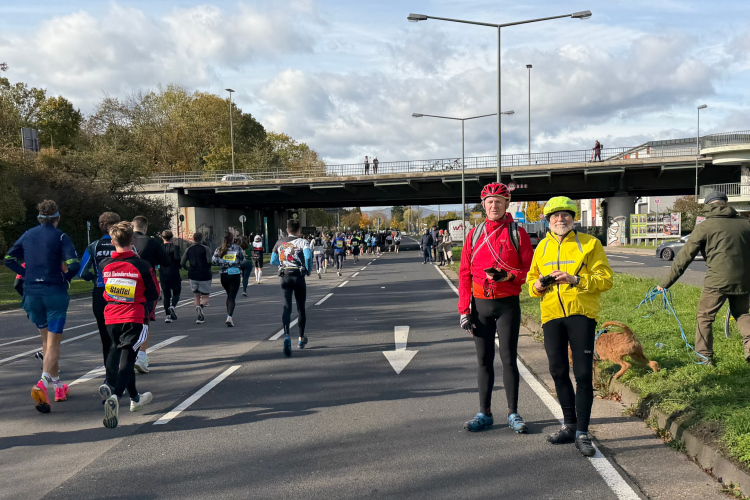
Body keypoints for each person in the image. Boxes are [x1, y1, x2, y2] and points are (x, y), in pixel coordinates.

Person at [527, 196, 613, 457]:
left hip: (581, 314)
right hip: (551, 315)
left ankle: (583, 432)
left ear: (573, 218)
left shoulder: (590, 243)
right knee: (558, 371)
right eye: (554, 215)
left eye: (565, 215)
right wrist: (537, 286)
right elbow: (531, 282)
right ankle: (569, 425)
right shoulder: (541, 247)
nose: (560, 219)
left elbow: (605, 280)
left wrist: (575, 279)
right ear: (548, 220)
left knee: (584, 374)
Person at [458, 183, 534, 436]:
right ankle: (485, 413)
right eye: (490, 202)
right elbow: (465, 273)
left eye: (499, 202)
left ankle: (513, 413)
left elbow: (529, 270)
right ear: (483, 205)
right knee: (483, 361)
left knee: (509, 359)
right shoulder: (474, 234)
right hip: (480, 306)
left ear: (506, 204)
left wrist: (509, 276)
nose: (494, 206)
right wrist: (464, 310)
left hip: (507, 305)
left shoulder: (517, 233)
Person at [4, 200, 80, 413]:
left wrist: (27, 273)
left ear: (39, 217)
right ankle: (42, 383)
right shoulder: (61, 236)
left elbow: (8, 258)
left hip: (31, 294)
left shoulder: (27, 234)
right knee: (54, 341)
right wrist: (65, 277)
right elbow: (74, 264)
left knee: (46, 341)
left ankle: (57, 386)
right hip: (54, 292)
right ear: (58, 217)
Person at [659, 190, 750, 365]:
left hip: (717, 281)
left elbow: (684, 257)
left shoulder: (705, 226)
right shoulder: (746, 223)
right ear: (726, 203)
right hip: (744, 280)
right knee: (742, 314)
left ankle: (704, 357)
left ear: (708, 206)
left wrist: (665, 284)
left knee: (705, 317)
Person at [99, 221, 156, 428]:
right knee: (128, 358)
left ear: (112, 241)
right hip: (133, 317)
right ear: (132, 240)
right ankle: (115, 396)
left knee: (117, 351)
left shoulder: (105, 265)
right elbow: (154, 293)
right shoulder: (142, 265)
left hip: (111, 317)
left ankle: (135, 398)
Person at [79, 212, 121, 386]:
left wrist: (94, 277)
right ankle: (123, 371)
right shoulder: (124, 244)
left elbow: (82, 272)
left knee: (106, 337)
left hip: (101, 292)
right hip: (122, 291)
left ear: (102, 225)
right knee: (123, 335)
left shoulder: (94, 246)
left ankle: (110, 376)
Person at [131, 216, 169, 374]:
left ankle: (126, 354)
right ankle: (141, 355)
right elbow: (165, 261)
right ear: (145, 228)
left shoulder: (126, 240)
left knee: (127, 317)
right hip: (146, 282)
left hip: (126, 280)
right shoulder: (152, 243)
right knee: (144, 319)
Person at [270, 219, 313, 357]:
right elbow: (308, 256)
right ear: (299, 230)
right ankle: (300, 339)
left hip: (285, 277)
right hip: (298, 276)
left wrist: (282, 263)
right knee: (301, 308)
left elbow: (272, 260)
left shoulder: (280, 242)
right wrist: (308, 270)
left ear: (287, 230)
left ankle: (287, 335)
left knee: (286, 307)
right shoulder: (303, 242)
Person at [212, 231, 245, 327]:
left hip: (224, 275)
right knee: (232, 296)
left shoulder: (219, 249)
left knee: (229, 294)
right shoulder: (238, 248)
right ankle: (229, 317)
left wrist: (222, 262)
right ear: (232, 238)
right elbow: (243, 260)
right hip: (234, 274)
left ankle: (228, 315)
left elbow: (214, 261)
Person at [180, 232, 212, 324]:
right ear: (202, 239)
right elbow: (209, 261)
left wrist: (188, 268)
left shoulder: (188, 249)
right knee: (205, 297)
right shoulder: (206, 248)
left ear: (193, 239)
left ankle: (199, 316)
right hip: (204, 275)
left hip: (192, 275)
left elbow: (182, 263)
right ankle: (200, 307)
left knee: (196, 296)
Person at [160, 230, 182, 323]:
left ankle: (167, 316)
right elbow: (177, 258)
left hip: (163, 273)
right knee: (176, 292)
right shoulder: (175, 247)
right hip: (174, 273)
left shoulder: (160, 248)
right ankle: (172, 306)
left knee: (166, 295)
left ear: (162, 238)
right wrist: (179, 265)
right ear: (172, 238)